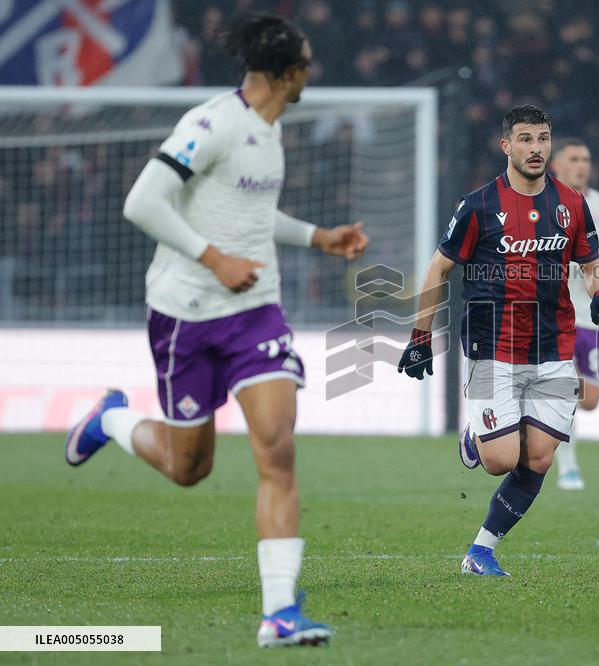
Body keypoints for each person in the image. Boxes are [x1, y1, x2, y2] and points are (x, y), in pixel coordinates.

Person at [63, 15, 368, 648]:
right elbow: (142, 201)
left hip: (255, 313)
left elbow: (250, 216)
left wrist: (316, 236)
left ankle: (279, 614)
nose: (312, 71)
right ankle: (110, 421)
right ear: (288, 75)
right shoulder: (212, 123)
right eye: (306, 63)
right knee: (187, 467)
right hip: (184, 314)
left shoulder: (269, 131)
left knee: (277, 450)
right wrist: (213, 259)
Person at [397, 105, 599, 576]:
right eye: (525, 139)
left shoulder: (572, 204)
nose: (535, 148)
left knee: (538, 457)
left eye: (542, 138)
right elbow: (439, 268)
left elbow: (591, 261)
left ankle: (481, 551)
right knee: (500, 461)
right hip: (491, 346)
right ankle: (477, 435)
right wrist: (419, 336)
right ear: (507, 146)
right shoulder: (477, 205)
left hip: (553, 347)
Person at [550, 139, 599, 490]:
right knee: (564, 388)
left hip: (590, 315)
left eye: (586, 158)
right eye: (574, 158)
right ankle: (568, 468)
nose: (582, 165)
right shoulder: (543, 204)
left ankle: (531, 394)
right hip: (550, 312)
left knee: (590, 399)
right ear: (556, 166)